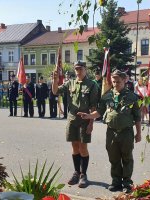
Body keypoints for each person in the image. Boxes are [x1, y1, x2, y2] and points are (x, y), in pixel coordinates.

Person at [77, 70, 141, 193]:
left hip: (126, 132)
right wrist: (89, 116)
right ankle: (116, 181)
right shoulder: (107, 96)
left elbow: (137, 117)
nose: (116, 84)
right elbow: (100, 112)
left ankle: (127, 183)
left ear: (124, 81)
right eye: (114, 82)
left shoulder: (132, 97)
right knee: (114, 158)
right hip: (111, 132)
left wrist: (138, 133)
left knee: (127, 157)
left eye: (118, 82)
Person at [52, 60, 98, 188]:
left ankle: (84, 175)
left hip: (85, 120)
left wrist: (91, 123)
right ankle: (76, 172)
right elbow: (55, 91)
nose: (78, 71)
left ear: (85, 69)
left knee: (83, 147)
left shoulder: (92, 85)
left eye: (81, 69)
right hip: (72, 119)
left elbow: (94, 105)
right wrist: (55, 80)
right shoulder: (70, 83)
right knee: (74, 147)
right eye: (76, 69)